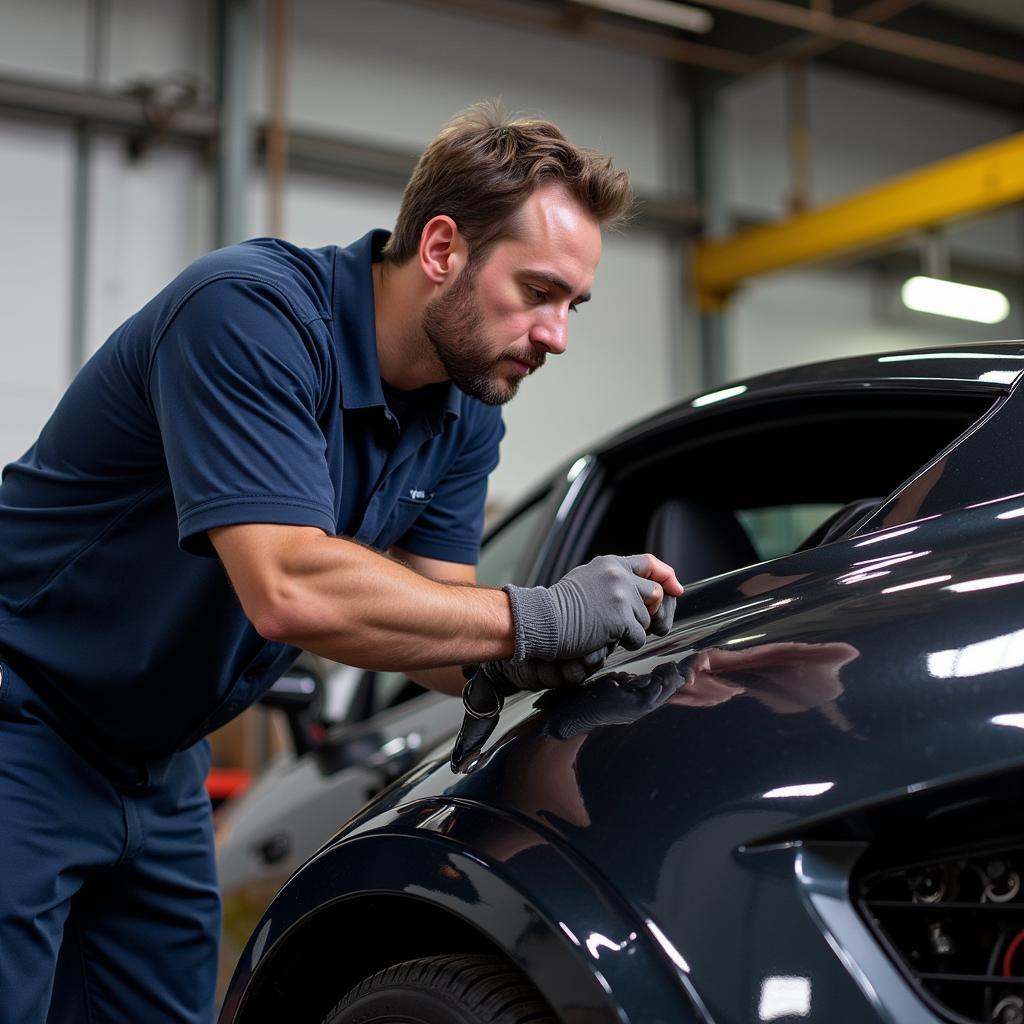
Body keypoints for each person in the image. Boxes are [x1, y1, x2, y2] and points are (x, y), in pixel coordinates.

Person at [0, 102, 682, 1023]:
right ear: (441, 249)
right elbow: (288, 586)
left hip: (158, 765)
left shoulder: (466, 409)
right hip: (22, 715)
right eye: (537, 292)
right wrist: (539, 614)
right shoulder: (250, 314)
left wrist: (555, 654)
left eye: (573, 305)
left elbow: (437, 621)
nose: (556, 335)